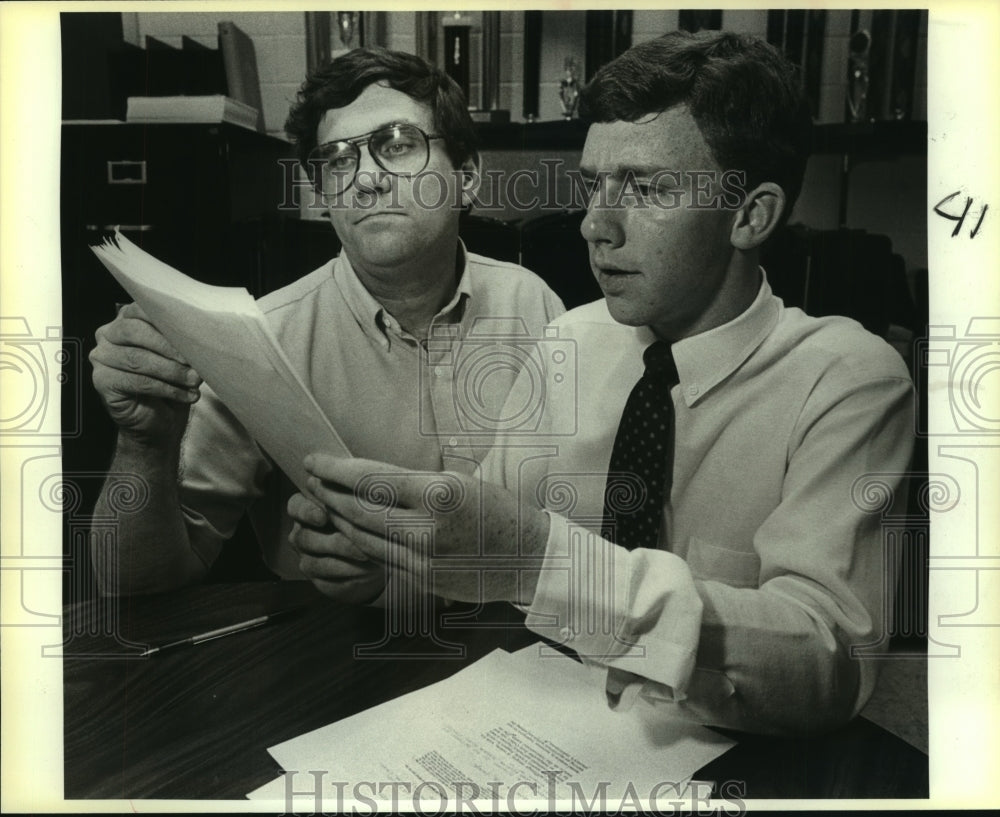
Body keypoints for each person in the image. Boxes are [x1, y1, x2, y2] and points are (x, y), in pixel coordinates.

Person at [292, 31, 915, 735]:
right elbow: (481, 559)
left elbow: (827, 661)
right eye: (594, 185)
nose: (594, 225)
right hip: (544, 729)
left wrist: (542, 561)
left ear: (750, 215)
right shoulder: (569, 339)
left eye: (645, 188)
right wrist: (384, 571)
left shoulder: (848, 381)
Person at [88, 47, 564, 597]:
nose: (365, 180)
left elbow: (587, 527)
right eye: (337, 160)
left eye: (397, 144)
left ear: (468, 176)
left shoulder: (534, 305)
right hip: (338, 638)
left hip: (518, 631)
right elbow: (131, 587)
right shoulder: (261, 341)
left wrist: (404, 573)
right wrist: (144, 444)